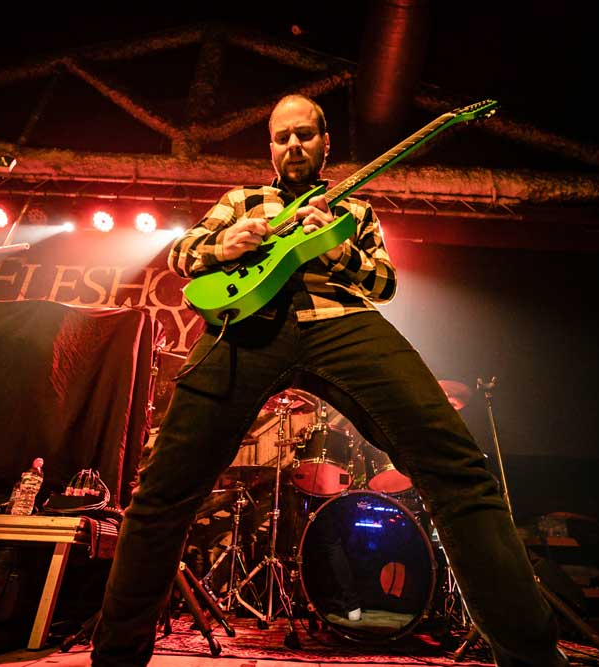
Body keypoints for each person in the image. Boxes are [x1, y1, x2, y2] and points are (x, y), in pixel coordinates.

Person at [92, 94, 568, 667]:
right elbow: (181, 255)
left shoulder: (355, 209)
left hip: (341, 321)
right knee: (162, 490)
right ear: (270, 146)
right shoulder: (242, 200)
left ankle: (534, 658)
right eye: (282, 136)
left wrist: (340, 252)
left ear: (325, 143)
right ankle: (115, 658)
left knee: (459, 470)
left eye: (305, 135)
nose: (293, 145)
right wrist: (225, 243)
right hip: (243, 327)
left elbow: (384, 284)